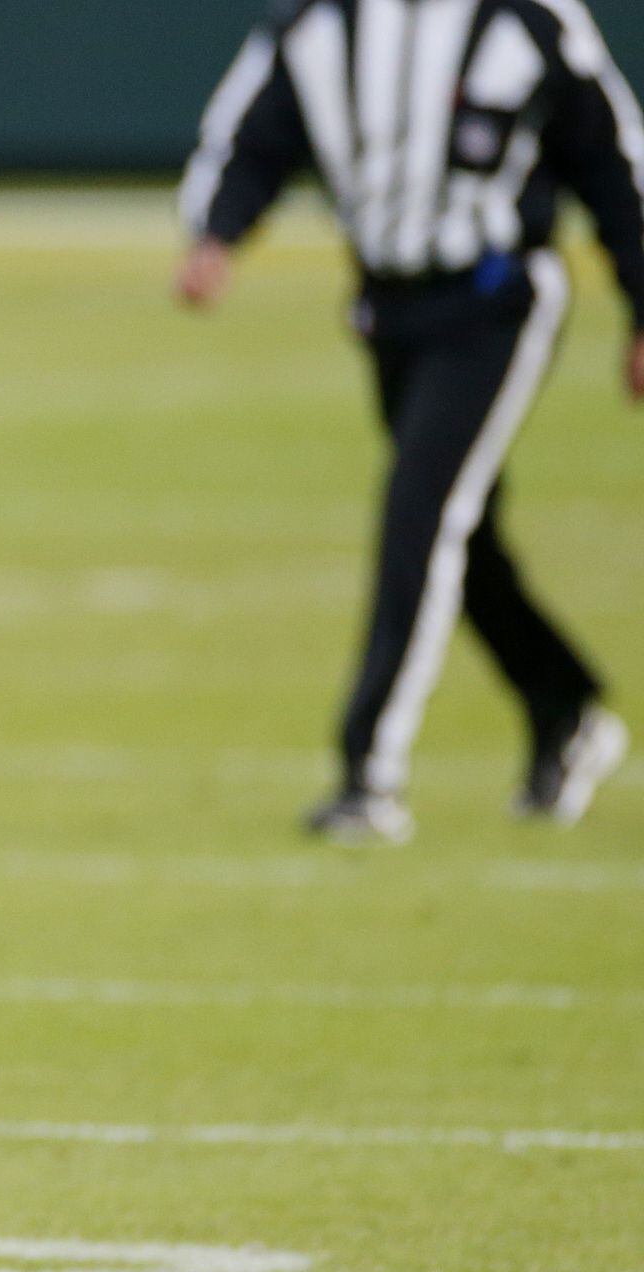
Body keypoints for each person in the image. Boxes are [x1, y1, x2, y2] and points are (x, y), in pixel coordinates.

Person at [179, 0, 642, 842]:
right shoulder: (320, 26)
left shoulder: (528, 20)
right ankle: (563, 706)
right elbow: (252, 134)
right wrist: (217, 234)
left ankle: (368, 776)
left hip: (497, 302)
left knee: (422, 515)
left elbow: (610, 159)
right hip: (389, 314)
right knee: (464, 542)